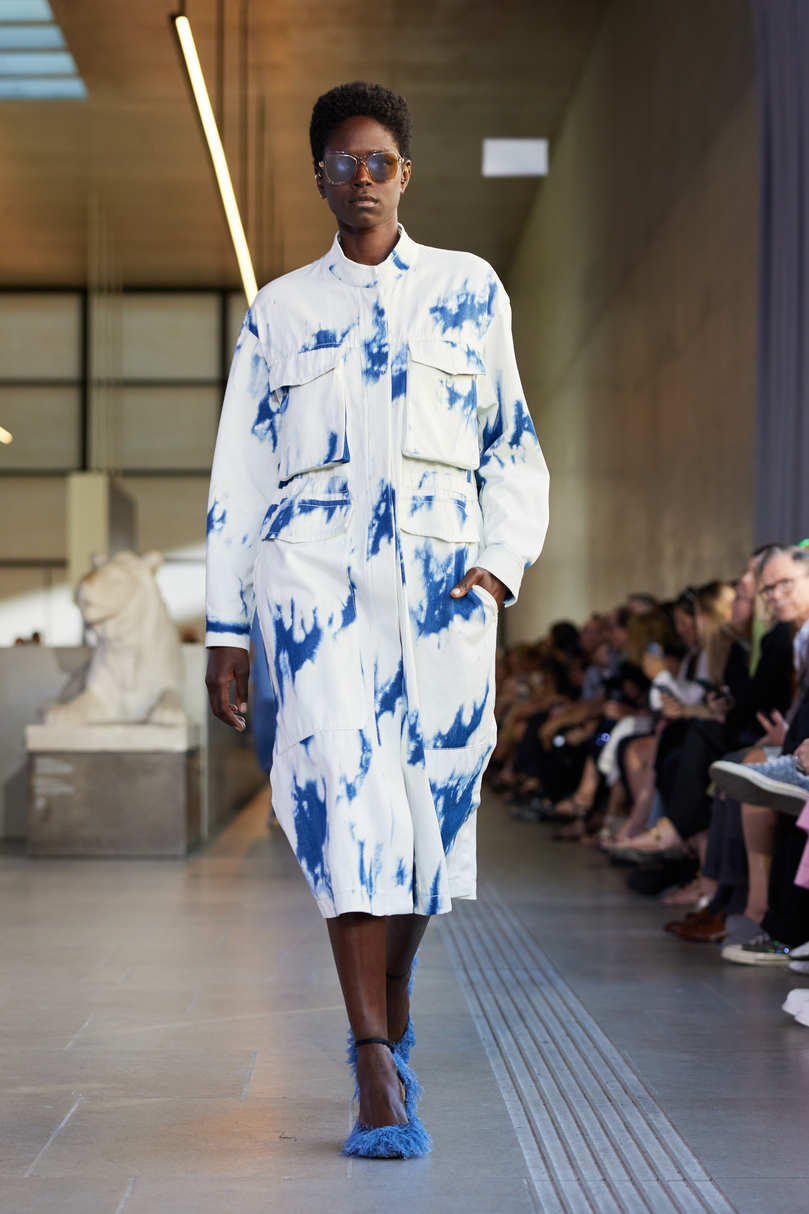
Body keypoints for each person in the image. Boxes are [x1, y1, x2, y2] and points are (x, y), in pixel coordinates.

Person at [203, 82, 549, 1158]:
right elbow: (238, 477)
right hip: (313, 598)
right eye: (342, 163)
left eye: (379, 163)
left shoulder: (467, 289)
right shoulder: (279, 311)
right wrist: (226, 628)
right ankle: (369, 1063)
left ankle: (390, 1011)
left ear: (405, 175)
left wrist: (497, 566)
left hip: (443, 604)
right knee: (345, 808)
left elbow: (512, 444)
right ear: (318, 177)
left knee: (424, 824)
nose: (361, 179)